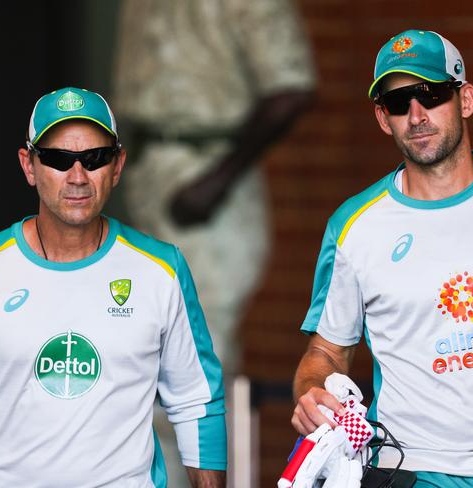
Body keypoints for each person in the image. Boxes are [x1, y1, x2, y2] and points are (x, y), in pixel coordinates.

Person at [291, 29, 473, 487]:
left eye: (431, 94)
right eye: (398, 103)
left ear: (466, 99)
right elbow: (326, 351)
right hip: (413, 467)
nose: (416, 115)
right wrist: (310, 391)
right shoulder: (353, 225)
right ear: (384, 119)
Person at [0, 87, 226, 488]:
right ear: (29, 166)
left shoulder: (161, 271)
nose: (78, 176)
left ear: (117, 166)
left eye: (95, 158)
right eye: (58, 159)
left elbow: (197, 404)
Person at [112, 2, 315, 484]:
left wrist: (218, 180)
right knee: (143, 363)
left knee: (192, 371)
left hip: (208, 180)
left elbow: (292, 88)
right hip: (145, 177)